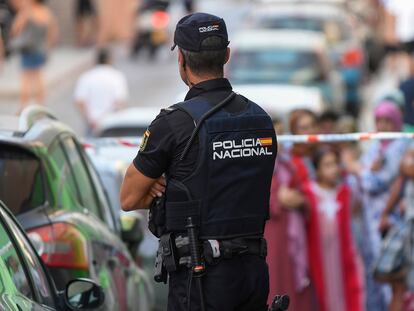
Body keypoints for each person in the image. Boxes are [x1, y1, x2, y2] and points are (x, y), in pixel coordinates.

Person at [120, 12, 277, 311]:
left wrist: (164, 189)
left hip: (201, 281)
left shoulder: (174, 123)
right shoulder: (260, 119)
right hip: (253, 275)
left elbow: (128, 198)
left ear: (181, 59)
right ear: (227, 55)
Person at [265, 110, 317, 311]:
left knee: (294, 285)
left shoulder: (288, 164)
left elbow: (305, 193)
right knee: (275, 282)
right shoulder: (258, 165)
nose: (277, 140)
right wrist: (277, 198)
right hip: (271, 233)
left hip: (292, 233)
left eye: (280, 134)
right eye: (273, 135)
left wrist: (299, 200)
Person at [303, 147, 364, 311]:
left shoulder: (344, 192)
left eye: (335, 164)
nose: (333, 169)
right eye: (327, 165)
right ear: (317, 169)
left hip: (342, 255)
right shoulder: (308, 192)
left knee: (347, 292)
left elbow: (357, 212)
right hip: (318, 257)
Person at [10, 0, 58, 112]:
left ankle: (23, 106)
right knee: (39, 77)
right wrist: (48, 46)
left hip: (28, 49)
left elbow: (15, 28)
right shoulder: (46, 12)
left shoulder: (27, 12)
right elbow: (52, 31)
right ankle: (41, 104)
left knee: (26, 79)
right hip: (40, 48)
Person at [74, 49, 128, 135]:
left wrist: (91, 121)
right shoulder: (117, 76)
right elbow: (119, 102)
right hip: (110, 125)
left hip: (91, 124)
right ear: (110, 60)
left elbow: (80, 102)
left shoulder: (86, 77)